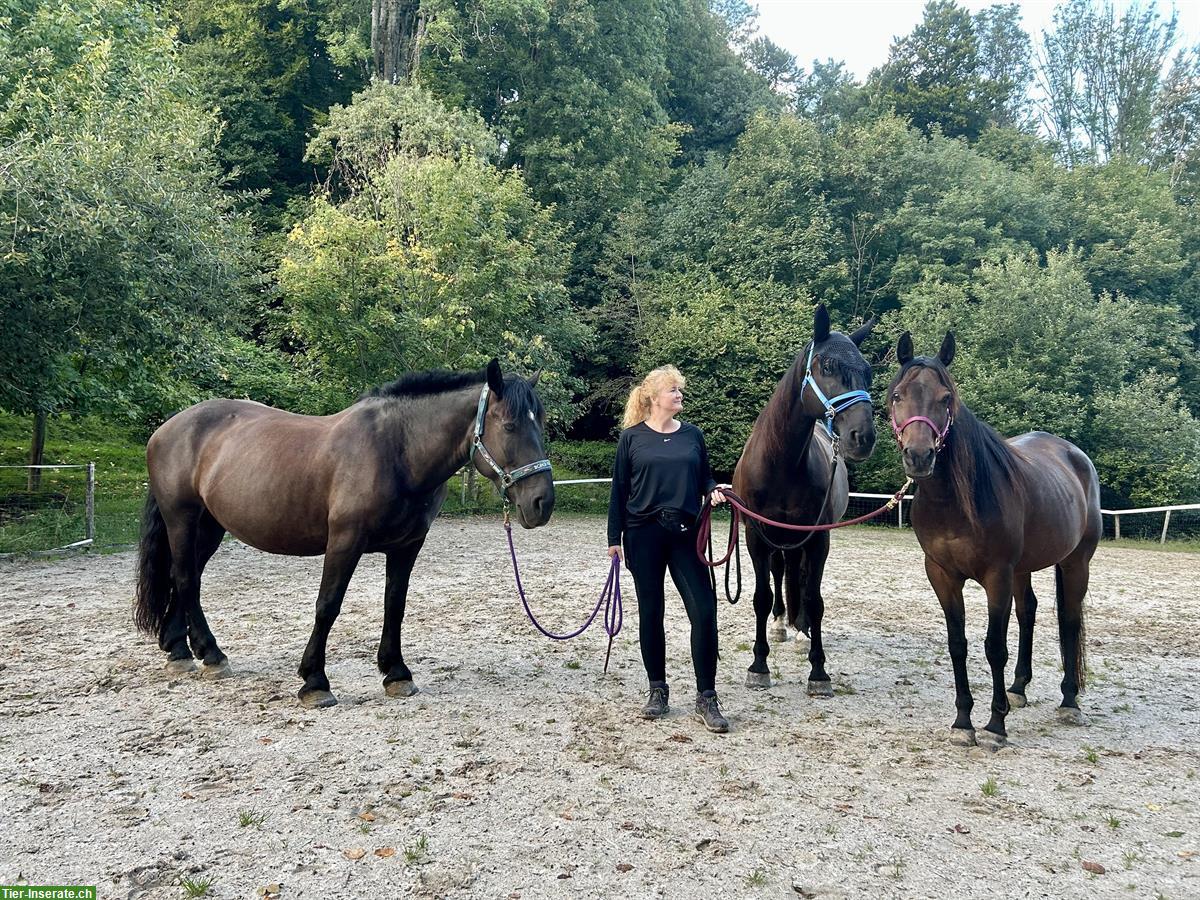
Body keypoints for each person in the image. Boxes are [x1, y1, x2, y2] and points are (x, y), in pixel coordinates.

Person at [607, 365, 730, 733]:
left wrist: (713, 489)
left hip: (684, 532)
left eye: (680, 390)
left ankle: (706, 696)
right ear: (654, 397)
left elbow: (704, 475)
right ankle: (657, 689)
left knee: (704, 611)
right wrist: (614, 539)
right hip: (642, 533)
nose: (679, 395)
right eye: (673, 390)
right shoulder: (631, 439)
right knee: (651, 611)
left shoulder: (693, 435)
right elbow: (619, 491)